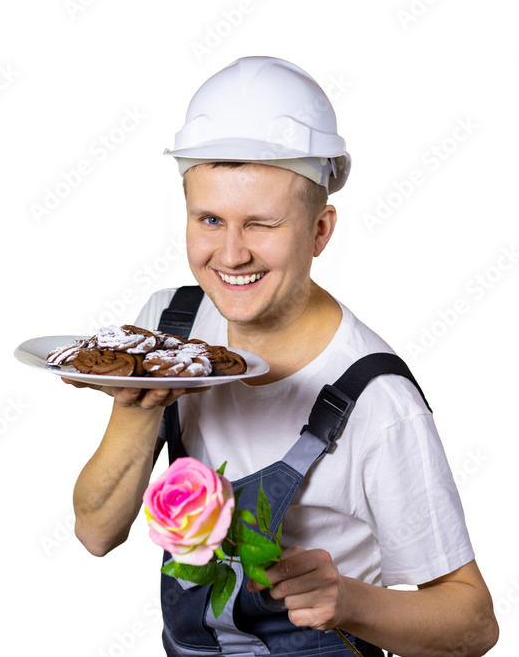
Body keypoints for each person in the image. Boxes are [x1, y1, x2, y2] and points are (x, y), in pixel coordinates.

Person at [66, 57, 498, 657]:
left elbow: (474, 623)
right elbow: (96, 532)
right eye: (209, 219)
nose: (231, 255)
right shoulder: (172, 327)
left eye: (261, 225)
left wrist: (350, 600)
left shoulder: (378, 400)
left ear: (320, 231)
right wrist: (140, 405)